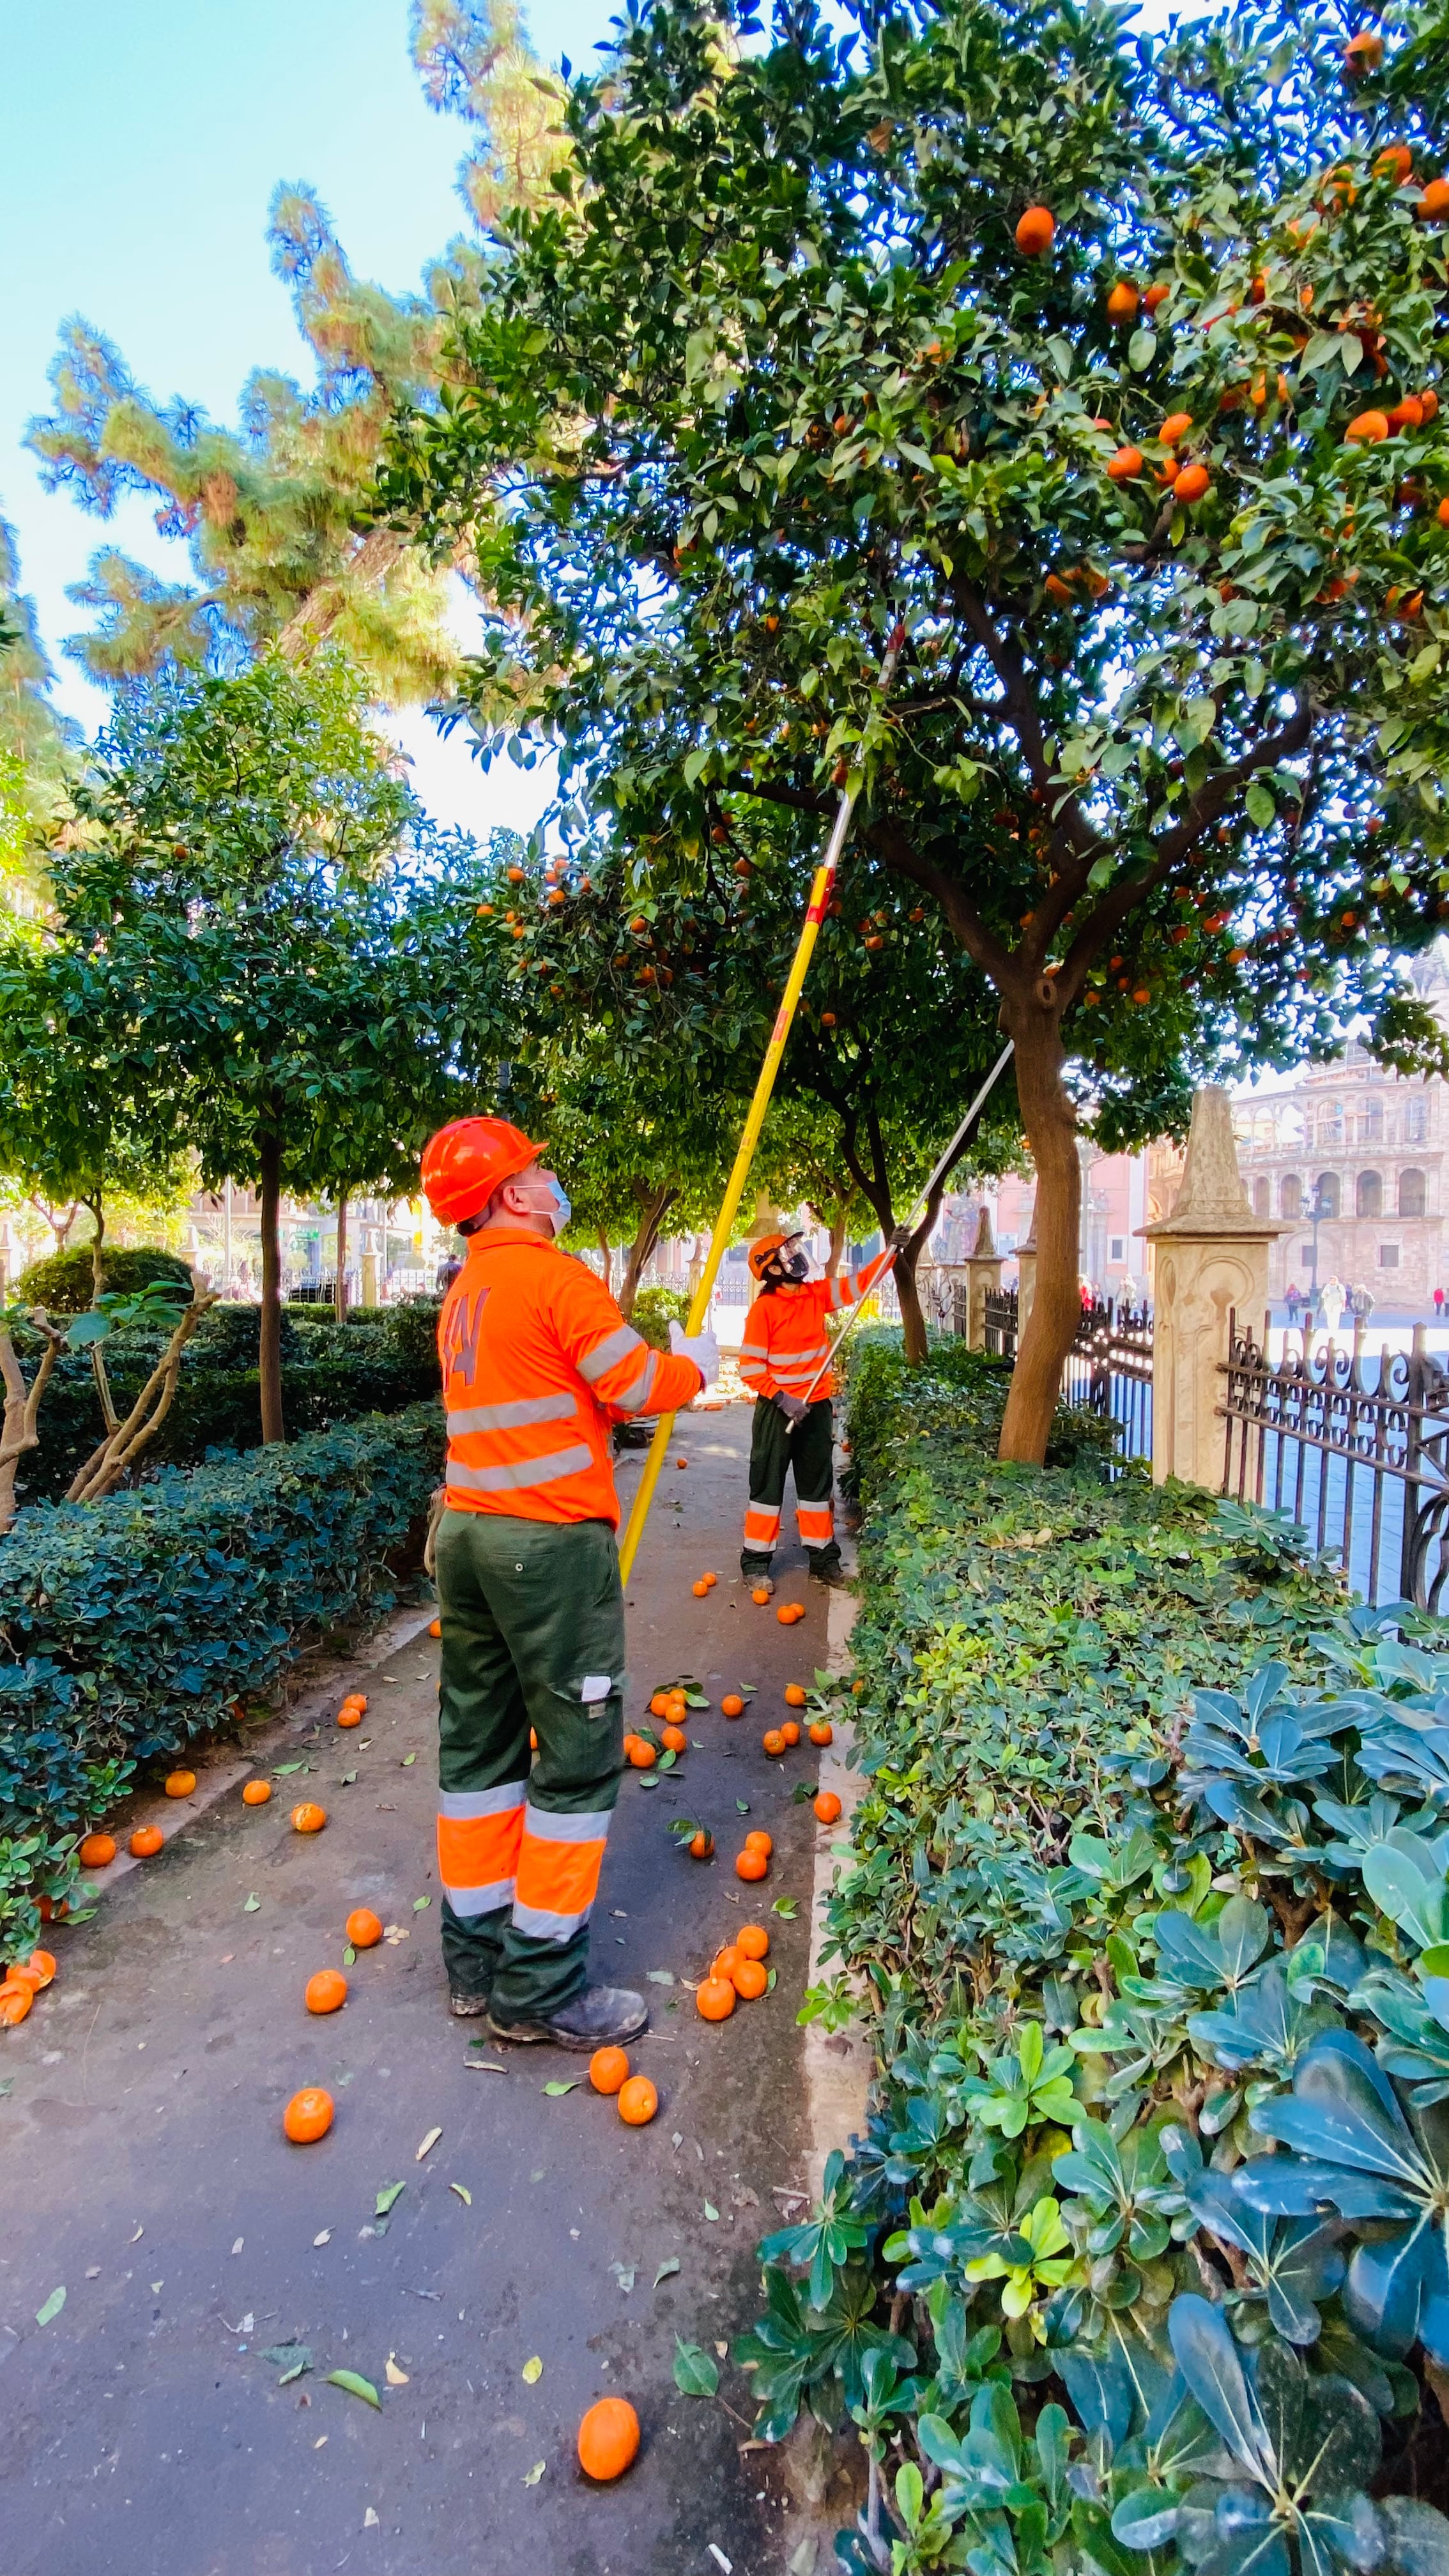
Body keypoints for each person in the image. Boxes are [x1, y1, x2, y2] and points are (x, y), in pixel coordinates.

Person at [420, 1116, 718, 2049]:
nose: (552, 1182)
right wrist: (695, 1365)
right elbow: (633, 1383)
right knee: (578, 1756)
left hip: (466, 1536)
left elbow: (550, 1389)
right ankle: (539, 1990)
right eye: (539, 1171)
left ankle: (473, 1965)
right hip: (546, 1547)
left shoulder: (464, 1293)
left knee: (479, 1749)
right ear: (512, 1194)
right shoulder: (554, 1277)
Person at [738, 1228, 900, 1591]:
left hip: (816, 1407)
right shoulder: (764, 1309)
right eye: (786, 1252)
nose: (795, 1255)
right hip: (777, 1411)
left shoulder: (815, 1295)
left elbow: (860, 1284)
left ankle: (824, 1563)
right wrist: (783, 1400)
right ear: (772, 1269)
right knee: (766, 1487)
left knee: (816, 1487)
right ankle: (754, 1564)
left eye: (794, 1248)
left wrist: (890, 1251)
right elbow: (749, 1367)